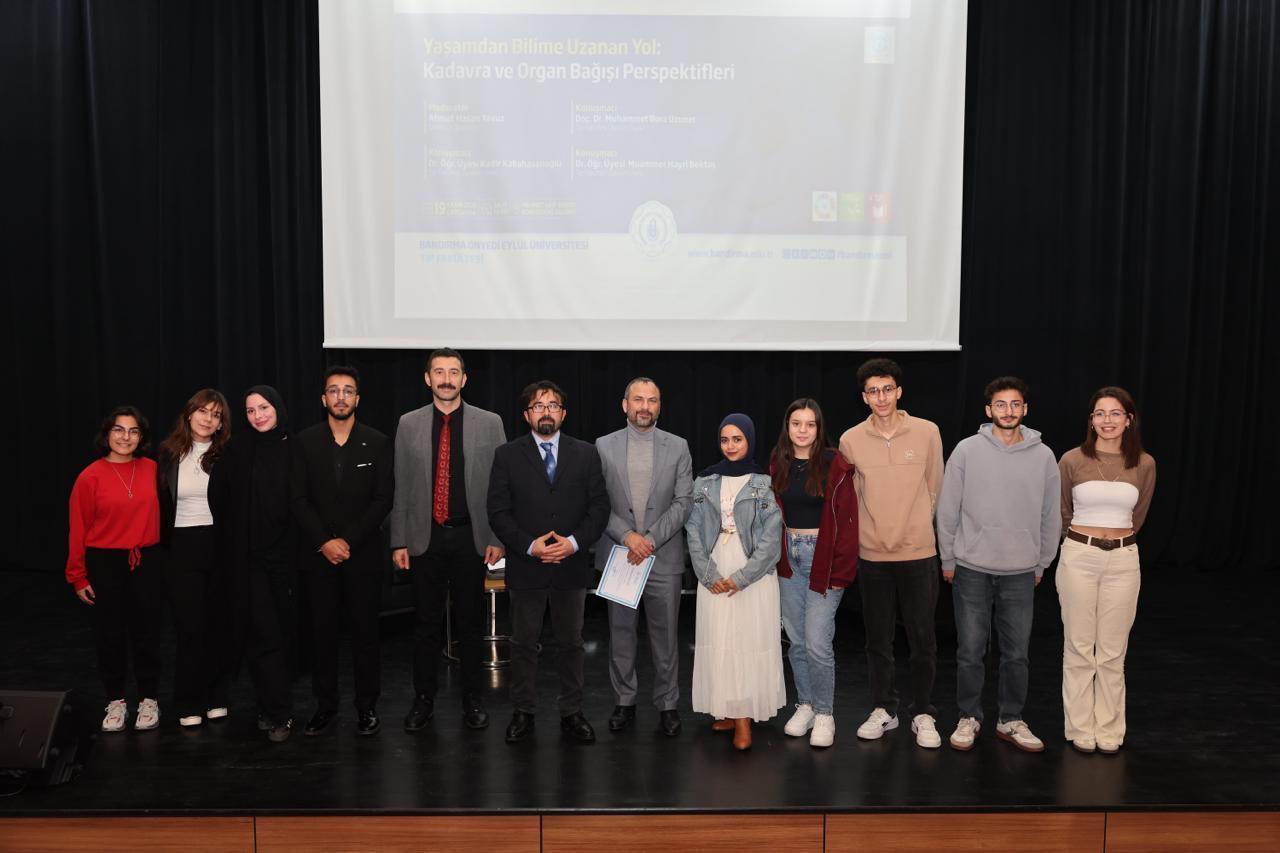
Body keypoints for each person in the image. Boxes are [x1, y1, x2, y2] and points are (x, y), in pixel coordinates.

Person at [935, 377, 1061, 753]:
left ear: (1025, 409)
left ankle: (1011, 719)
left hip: (1021, 571)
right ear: (988, 410)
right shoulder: (966, 450)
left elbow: (1050, 514)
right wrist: (948, 557)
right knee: (970, 650)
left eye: (1015, 404)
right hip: (971, 568)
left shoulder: (1044, 456)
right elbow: (948, 508)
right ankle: (969, 716)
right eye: (1001, 404)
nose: (1009, 411)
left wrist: (1042, 562)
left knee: (1017, 653)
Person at [390, 348, 506, 733]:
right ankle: (423, 700)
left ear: (464, 379)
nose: (446, 379)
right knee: (425, 624)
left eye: (453, 372)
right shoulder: (408, 424)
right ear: (427, 379)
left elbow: (501, 487)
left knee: (470, 624)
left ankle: (473, 699)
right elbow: (401, 485)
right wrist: (399, 540)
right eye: (438, 372)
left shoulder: (490, 423)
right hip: (425, 538)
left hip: (473, 538)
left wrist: (497, 536)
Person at [487, 380, 609, 744]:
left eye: (553, 405)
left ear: (563, 414)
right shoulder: (506, 455)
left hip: (570, 566)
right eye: (538, 406)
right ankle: (523, 712)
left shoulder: (586, 454)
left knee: (572, 644)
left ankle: (572, 712)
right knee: (523, 643)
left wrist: (573, 543)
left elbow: (599, 507)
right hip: (527, 566)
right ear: (526, 415)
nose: (546, 412)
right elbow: (498, 511)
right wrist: (529, 546)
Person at [837, 358, 945, 748]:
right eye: (873, 391)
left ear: (898, 391)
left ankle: (923, 712)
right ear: (864, 397)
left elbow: (935, 487)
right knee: (878, 641)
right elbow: (852, 499)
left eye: (887, 389)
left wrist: (915, 528)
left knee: (922, 639)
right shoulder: (851, 440)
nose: (881, 397)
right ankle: (884, 708)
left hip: (918, 554)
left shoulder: (928, 432)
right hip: (873, 558)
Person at [291, 366, 394, 737]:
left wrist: (347, 540)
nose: (340, 397)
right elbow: (297, 498)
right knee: (322, 636)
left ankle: (367, 707)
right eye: (333, 391)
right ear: (324, 399)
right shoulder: (303, 442)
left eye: (348, 391)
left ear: (357, 399)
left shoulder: (377, 442)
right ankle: (325, 706)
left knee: (366, 636)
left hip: (362, 555)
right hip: (318, 556)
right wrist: (324, 541)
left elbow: (383, 499)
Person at [1056, 386, 1155, 754]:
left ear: (1129, 420)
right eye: (1100, 413)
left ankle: (1110, 728)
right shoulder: (1072, 460)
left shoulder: (1144, 463)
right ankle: (1080, 726)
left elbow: (1138, 515)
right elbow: (1062, 510)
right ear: (1091, 420)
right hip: (1079, 556)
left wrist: (1117, 541)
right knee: (1080, 646)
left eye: (1115, 413)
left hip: (1124, 560)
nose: (1107, 420)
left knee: (1113, 651)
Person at [595, 377, 693, 737]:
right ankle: (624, 701)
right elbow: (596, 501)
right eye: (638, 399)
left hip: (662, 557)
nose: (645, 407)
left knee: (666, 638)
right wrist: (628, 536)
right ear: (625, 405)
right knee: (621, 635)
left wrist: (649, 540)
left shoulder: (678, 446)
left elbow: (684, 502)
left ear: (659, 406)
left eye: (652, 400)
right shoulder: (603, 446)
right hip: (620, 556)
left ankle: (667, 704)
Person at [686, 413, 786, 751]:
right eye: (725, 439)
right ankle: (728, 708)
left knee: (746, 640)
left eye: (737, 439)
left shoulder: (765, 482)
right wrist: (708, 574)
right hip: (714, 568)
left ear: (750, 440)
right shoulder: (705, 481)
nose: (730, 446)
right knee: (720, 639)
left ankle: (744, 717)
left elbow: (771, 540)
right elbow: (693, 530)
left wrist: (742, 578)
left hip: (751, 574)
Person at [66, 407, 163, 732]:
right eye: (119, 430)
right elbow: (78, 529)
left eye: (133, 431)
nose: (125, 437)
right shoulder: (89, 476)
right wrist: (77, 575)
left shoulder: (153, 469)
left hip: (146, 560)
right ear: (107, 434)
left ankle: (149, 699)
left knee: (147, 633)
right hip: (105, 561)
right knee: (110, 634)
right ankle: (116, 701)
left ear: (141, 437)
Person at [210, 385, 297, 743]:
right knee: (264, 635)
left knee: (286, 636)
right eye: (250, 410)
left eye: (264, 408)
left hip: (291, 561)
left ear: (277, 408)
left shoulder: (296, 447)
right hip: (251, 562)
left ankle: (271, 705)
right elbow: (219, 500)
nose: (258, 415)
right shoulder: (237, 450)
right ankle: (277, 713)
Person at [769, 399, 858, 748]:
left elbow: (848, 521)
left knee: (818, 642)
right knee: (796, 640)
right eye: (796, 423)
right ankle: (805, 704)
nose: (803, 430)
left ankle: (824, 713)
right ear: (787, 427)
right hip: (788, 559)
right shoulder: (779, 462)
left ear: (819, 428)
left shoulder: (835, 464)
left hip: (824, 558)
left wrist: (842, 569)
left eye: (810, 424)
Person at [157, 388, 232, 729]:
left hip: (217, 545)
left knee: (217, 624)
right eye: (203, 411)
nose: (208, 419)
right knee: (189, 627)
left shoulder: (228, 456)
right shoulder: (167, 454)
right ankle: (188, 700)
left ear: (221, 424)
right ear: (189, 414)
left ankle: (216, 696)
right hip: (181, 548)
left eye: (216, 415)